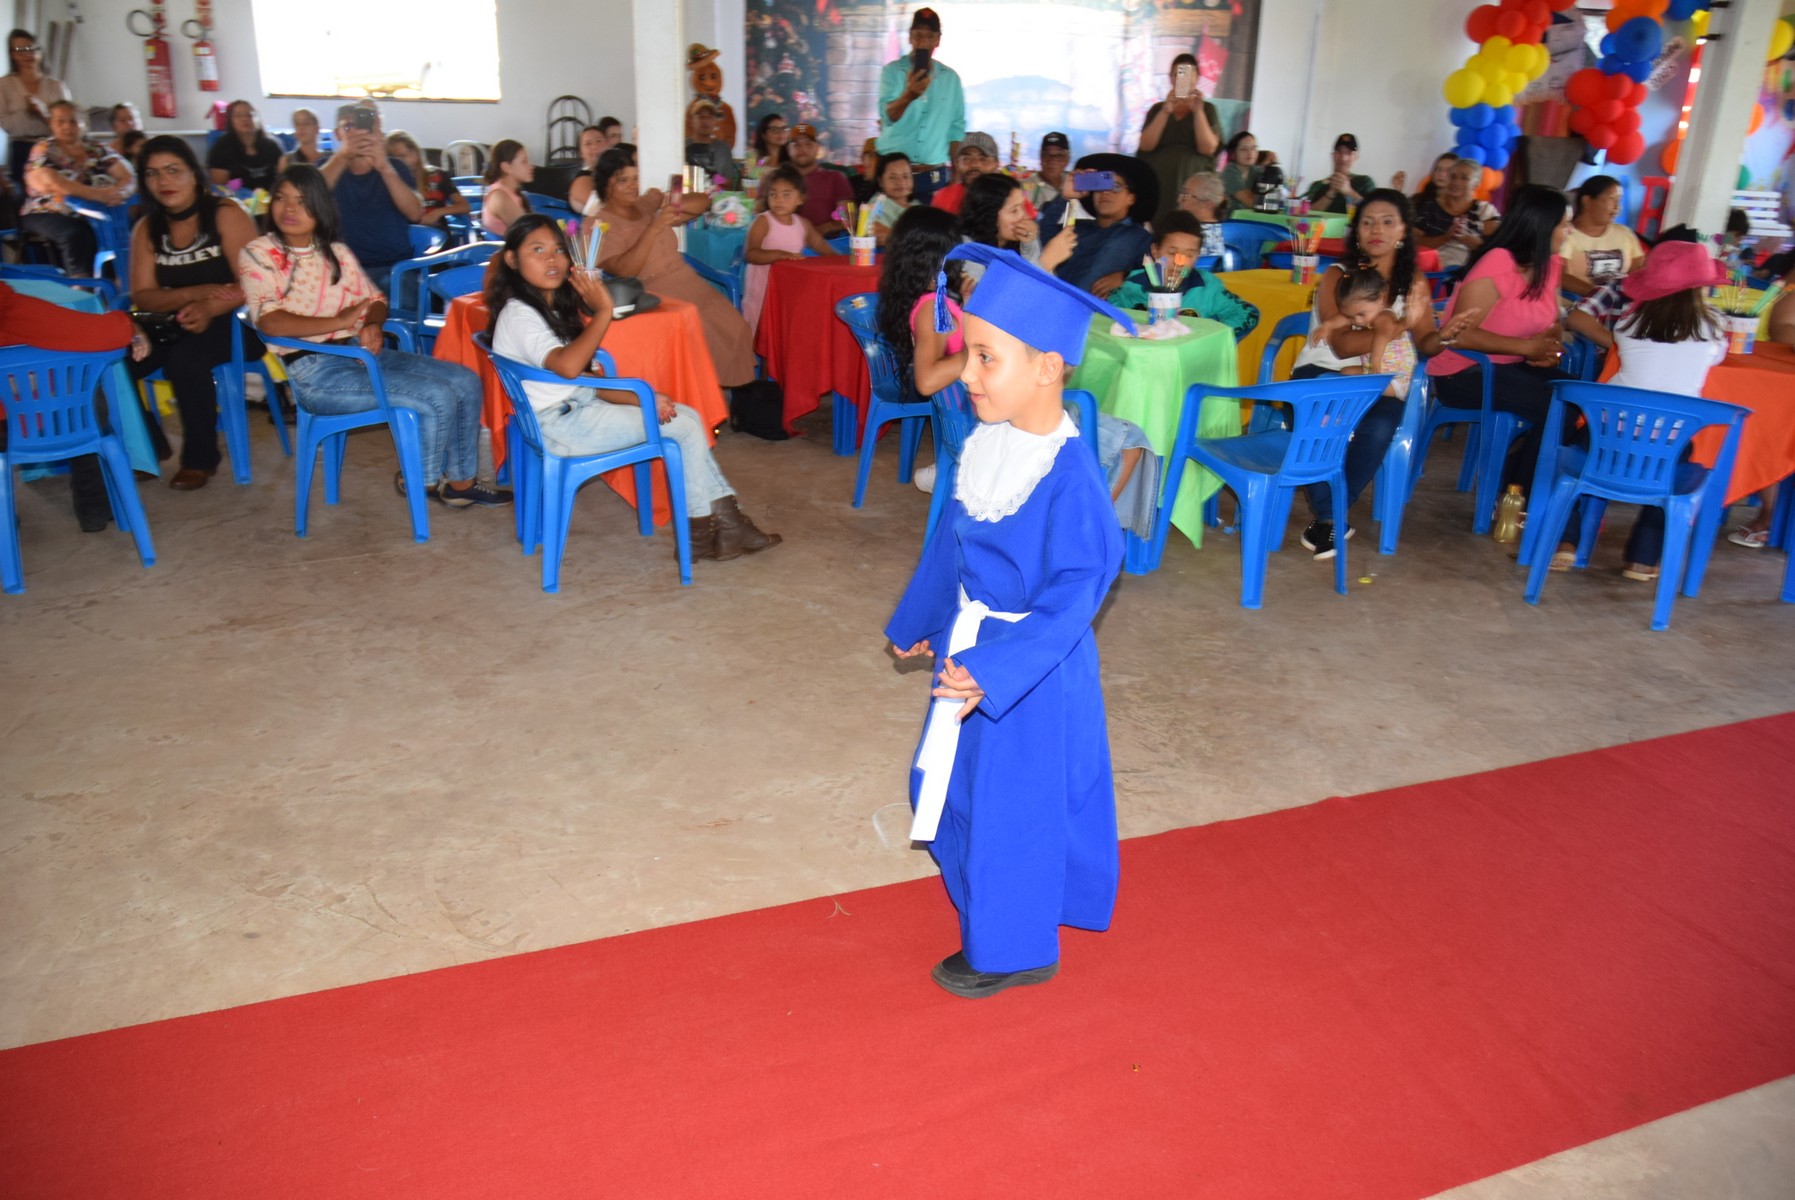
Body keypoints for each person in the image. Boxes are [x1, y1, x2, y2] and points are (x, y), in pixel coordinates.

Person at [884, 242, 1127, 999]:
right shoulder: (987, 444)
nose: (967, 375)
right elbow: (951, 543)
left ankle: (1014, 947)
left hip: (1028, 670)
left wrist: (994, 670)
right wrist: (919, 617)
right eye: (968, 355)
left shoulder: (1069, 478)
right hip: (969, 646)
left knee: (1012, 807)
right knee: (952, 783)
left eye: (987, 359)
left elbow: (1072, 598)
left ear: (1048, 367)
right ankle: (987, 898)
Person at [487, 214, 779, 562]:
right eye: (537, 250)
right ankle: (704, 531)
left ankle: (723, 527)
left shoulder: (549, 308)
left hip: (576, 409)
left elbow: (588, 380)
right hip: (561, 425)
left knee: (685, 417)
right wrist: (604, 312)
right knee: (686, 426)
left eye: (558, 250)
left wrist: (645, 398)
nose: (552, 260)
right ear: (511, 259)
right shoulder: (520, 314)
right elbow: (567, 368)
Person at [239, 164, 505, 508]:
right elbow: (270, 323)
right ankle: (419, 480)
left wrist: (372, 324)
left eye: (302, 201)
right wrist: (340, 319)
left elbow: (375, 300)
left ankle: (460, 481)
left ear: (321, 206)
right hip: (314, 373)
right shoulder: (259, 254)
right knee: (436, 395)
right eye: (281, 198)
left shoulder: (335, 252)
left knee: (466, 379)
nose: (289, 209)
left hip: (357, 354)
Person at [1292, 190, 1481, 558]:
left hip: (1377, 379)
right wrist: (1400, 327)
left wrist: (1443, 335)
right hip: (1322, 369)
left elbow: (1425, 342)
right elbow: (1343, 345)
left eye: (1387, 221)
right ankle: (1332, 515)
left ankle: (1328, 518)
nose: (1376, 229)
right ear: (1356, 231)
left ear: (1403, 231)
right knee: (1314, 418)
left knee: (1378, 426)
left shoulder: (1414, 284)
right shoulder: (1337, 275)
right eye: (1367, 222)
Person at [1557, 239, 1729, 581]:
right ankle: (1642, 558)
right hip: (1665, 447)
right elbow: (1717, 356)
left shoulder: (1628, 325)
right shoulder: (1713, 329)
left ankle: (1565, 542)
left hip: (1605, 439)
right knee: (1681, 460)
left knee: (1570, 455)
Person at [1426, 184, 1574, 515]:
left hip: (1512, 364)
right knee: (1558, 408)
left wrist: (1549, 346)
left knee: (1582, 399)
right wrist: (1528, 347)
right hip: (1463, 370)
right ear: (1542, 226)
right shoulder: (1498, 262)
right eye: (1564, 224)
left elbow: (1549, 320)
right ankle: (1513, 495)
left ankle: (1517, 479)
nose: (1569, 231)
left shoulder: (1549, 263)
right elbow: (1459, 336)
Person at [126, 134, 260, 491]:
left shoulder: (225, 214)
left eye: (173, 170)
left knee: (185, 360)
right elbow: (143, 295)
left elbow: (256, 281)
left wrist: (210, 305)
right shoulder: (146, 228)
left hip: (237, 321)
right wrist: (192, 296)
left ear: (194, 175)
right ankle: (146, 448)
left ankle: (201, 459)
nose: (164, 181)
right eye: (153, 174)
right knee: (113, 359)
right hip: (176, 322)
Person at [591, 148, 756, 388]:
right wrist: (654, 227)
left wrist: (675, 200)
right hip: (652, 291)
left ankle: (730, 396)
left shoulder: (645, 204)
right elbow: (624, 269)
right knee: (704, 333)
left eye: (635, 178)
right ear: (605, 184)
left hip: (685, 279)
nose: (632, 186)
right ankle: (703, 396)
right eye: (622, 180)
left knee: (734, 325)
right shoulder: (599, 224)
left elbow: (704, 201)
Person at [0, 280, 151, 531]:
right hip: (23, 423)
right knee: (80, 385)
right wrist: (131, 326)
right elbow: (103, 333)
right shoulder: (12, 310)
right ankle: (96, 505)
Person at [319, 102, 422, 295]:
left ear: (377, 131)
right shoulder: (326, 166)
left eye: (363, 127)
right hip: (338, 269)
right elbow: (309, 198)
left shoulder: (395, 167)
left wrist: (383, 167)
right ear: (337, 133)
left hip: (392, 268)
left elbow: (415, 214)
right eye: (348, 127)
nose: (357, 134)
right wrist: (343, 157)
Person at [20, 100, 132, 275]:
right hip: (46, 211)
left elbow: (128, 175)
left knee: (119, 231)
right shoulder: (44, 148)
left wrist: (120, 192)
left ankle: (116, 283)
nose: (67, 127)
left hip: (92, 213)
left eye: (73, 121)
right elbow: (51, 182)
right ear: (51, 124)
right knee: (76, 234)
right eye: (60, 121)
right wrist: (97, 195)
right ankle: (81, 285)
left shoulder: (96, 149)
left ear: (83, 124)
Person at [1108, 210, 1259, 340]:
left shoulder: (1208, 289)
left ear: (1198, 256)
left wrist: (1209, 338)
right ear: (1155, 251)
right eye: (1172, 253)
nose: (1179, 262)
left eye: (1189, 255)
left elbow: (1248, 314)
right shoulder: (1133, 285)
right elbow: (1110, 315)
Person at [876, 7, 965, 204]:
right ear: (909, 37)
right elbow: (888, 116)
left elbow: (956, 130)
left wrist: (957, 175)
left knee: (932, 232)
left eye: (929, 36)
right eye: (917, 35)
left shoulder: (951, 79)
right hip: (894, 176)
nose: (922, 42)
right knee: (890, 232)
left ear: (937, 40)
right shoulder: (892, 72)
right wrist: (909, 94)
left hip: (934, 176)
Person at [1037, 153, 1156, 297]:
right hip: (1053, 303)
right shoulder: (1074, 229)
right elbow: (1038, 232)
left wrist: (1126, 277)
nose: (1105, 192)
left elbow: (1157, 276)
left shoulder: (1140, 238)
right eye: (1100, 186)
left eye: (1116, 187)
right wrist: (1064, 196)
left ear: (1131, 198)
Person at [742, 165, 838, 334]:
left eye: (786, 195)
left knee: (784, 333)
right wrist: (780, 255)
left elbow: (825, 250)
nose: (779, 199)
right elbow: (751, 254)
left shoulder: (803, 224)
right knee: (765, 336)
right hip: (762, 292)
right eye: (773, 194)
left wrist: (843, 261)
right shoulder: (763, 221)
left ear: (800, 199)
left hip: (789, 292)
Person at [1138, 53, 1222, 227]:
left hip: (1193, 182)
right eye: (1177, 73)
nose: (1182, 78)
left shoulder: (1207, 109)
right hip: (1160, 182)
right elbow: (1146, 145)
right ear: (1170, 78)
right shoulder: (1157, 109)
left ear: (1197, 78)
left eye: (1188, 74)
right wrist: (1165, 111)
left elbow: (1208, 148)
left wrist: (1197, 112)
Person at [958, 172, 1075, 276]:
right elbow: (1000, 298)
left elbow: (1043, 293)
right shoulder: (968, 252)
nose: (1025, 215)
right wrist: (1047, 262)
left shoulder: (1014, 244)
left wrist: (1030, 245)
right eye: (1014, 210)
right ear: (989, 215)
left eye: (1023, 206)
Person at [0, 29, 71, 182]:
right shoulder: (4, 85)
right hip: (21, 147)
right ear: (12, 54)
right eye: (20, 50)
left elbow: (70, 122)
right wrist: (26, 112)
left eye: (31, 48)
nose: (27, 54)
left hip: (52, 147)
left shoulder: (56, 86)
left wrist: (44, 115)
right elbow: (4, 122)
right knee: (22, 195)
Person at [759, 123, 851, 236]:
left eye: (808, 144)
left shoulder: (835, 178)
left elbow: (848, 219)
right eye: (796, 145)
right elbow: (759, 210)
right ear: (789, 149)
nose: (802, 149)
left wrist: (817, 232)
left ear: (817, 148)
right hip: (780, 242)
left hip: (824, 244)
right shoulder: (775, 178)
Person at [1559, 174, 1644, 294]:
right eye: (1612, 199)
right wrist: (1601, 297)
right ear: (1587, 201)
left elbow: (1638, 271)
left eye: (1619, 200)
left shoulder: (1625, 234)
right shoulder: (1565, 234)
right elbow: (1560, 276)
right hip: (1576, 306)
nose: (1618, 207)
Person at [1414, 156, 1500, 271]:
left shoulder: (1485, 211)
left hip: (1469, 275)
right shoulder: (1429, 206)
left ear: (1477, 184)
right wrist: (1446, 237)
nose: (1456, 182)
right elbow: (1413, 240)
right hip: (1429, 271)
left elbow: (1494, 250)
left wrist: (1465, 237)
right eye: (1453, 176)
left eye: (1464, 178)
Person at [386, 130, 469, 234]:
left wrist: (437, 213)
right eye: (395, 159)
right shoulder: (389, 182)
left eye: (403, 156)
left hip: (437, 234)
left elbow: (464, 206)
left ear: (415, 152)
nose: (402, 162)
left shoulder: (438, 174)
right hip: (402, 235)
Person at [206, 100, 285, 192]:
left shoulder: (272, 145)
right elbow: (219, 187)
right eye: (238, 115)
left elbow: (283, 178)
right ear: (230, 121)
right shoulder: (221, 148)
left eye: (249, 115)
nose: (245, 119)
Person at [1302, 133, 1377, 214]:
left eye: (1349, 153)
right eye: (1339, 152)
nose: (1343, 158)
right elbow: (1308, 216)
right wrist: (1330, 194)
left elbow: (1373, 211)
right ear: (1333, 155)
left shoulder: (1364, 182)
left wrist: (1348, 191)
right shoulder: (1318, 185)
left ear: (1356, 157)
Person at [927, 132, 997, 217]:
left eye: (982, 159)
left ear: (996, 164)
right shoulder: (943, 197)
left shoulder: (1008, 200)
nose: (974, 164)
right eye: (966, 158)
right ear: (957, 163)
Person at [480, 138, 534, 238]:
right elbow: (529, 235)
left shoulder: (512, 193)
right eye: (524, 161)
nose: (531, 166)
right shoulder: (499, 197)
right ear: (506, 167)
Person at [1174, 171, 1229, 260]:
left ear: (1207, 204)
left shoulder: (1187, 239)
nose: (1179, 200)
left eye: (1186, 195)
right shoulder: (1230, 231)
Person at [685, 99, 737, 190]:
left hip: (716, 198)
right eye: (701, 117)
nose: (705, 121)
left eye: (710, 117)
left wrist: (715, 181)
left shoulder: (722, 149)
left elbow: (729, 184)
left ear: (714, 122)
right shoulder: (682, 147)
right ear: (692, 121)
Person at [866, 151, 917, 246]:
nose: (900, 182)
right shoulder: (877, 203)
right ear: (880, 181)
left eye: (905, 176)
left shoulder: (917, 205)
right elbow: (876, 234)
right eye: (892, 177)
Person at [1219, 131, 1277, 210]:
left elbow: (1272, 198)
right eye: (1243, 149)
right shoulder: (1230, 172)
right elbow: (1250, 202)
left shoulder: (1256, 171)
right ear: (1232, 154)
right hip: (1230, 220)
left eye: (1253, 148)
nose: (1250, 153)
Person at [567, 124, 610, 214]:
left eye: (599, 141)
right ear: (581, 153)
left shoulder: (614, 174)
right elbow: (601, 210)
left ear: (608, 145)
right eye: (588, 143)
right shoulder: (582, 180)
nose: (594, 147)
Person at [1025, 131, 1071, 211]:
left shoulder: (1072, 183)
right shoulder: (1026, 186)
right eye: (1047, 154)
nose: (1053, 160)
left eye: (1059, 155)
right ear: (1041, 157)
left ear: (1067, 159)